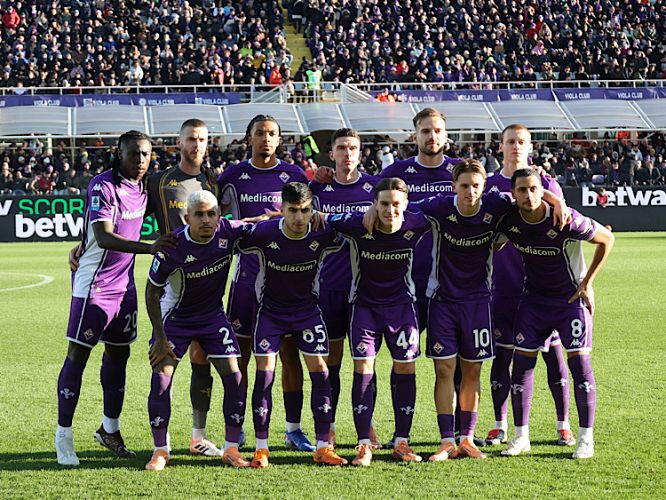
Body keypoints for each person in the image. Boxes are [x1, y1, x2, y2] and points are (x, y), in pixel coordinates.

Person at [71, 119, 222, 456]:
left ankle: (198, 437)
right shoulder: (157, 182)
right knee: (165, 360)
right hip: (171, 284)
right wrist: (83, 245)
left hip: (208, 280)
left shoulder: (214, 180)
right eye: (190, 139)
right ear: (179, 143)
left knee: (203, 359)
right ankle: (160, 444)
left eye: (201, 139)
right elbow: (126, 218)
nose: (196, 145)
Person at [55, 130, 175, 466]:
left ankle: (109, 430)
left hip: (124, 287)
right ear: (119, 154)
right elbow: (105, 237)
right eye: (133, 153)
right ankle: (63, 436)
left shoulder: (145, 186)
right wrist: (149, 248)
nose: (140, 160)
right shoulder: (103, 186)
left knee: (119, 355)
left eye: (146, 154)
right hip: (95, 285)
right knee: (78, 356)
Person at [498, 169, 614, 459]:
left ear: (543, 191)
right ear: (514, 194)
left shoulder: (566, 219)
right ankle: (520, 437)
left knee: (580, 367)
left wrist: (587, 283)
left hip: (569, 302)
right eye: (522, 190)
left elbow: (607, 240)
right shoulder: (509, 220)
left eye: (534, 189)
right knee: (521, 368)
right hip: (533, 302)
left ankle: (586, 439)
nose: (529, 195)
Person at [217, 115, 313, 452]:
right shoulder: (231, 176)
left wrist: (272, 219)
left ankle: (293, 429)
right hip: (246, 277)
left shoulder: (295, 174)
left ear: (279, 139)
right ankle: (237, 426)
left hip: (285, 278)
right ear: (249, 138)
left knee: (289, 355)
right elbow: (217, 219)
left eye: (272, 134)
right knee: (239, 356)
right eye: (259, 133)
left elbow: (308, 216)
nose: (266, 139)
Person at [238, 182, 346, 468]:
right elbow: (230, 232)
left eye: (306, 211)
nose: (300, 218)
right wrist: (256, 219)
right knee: (265, 374)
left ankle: (323, 446)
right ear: (282, 210)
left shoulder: (324, 231)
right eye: (293, 210)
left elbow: (357, 224)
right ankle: (261, 449)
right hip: (270, 314)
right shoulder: (264, 233)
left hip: (307, 312)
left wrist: (329, 217)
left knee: (321, 372)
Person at [326, 177, 431, 466]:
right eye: (384, 204)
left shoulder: (418, 222)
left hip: (402, 309)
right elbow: (322, 217)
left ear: (406, 204)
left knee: (406, 368)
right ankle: (364, 444)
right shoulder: (356, 225)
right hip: (364, 309)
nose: (390, 210)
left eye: (396, 204)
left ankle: (402, 442)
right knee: (363, 369)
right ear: (375, 204)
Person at [144, 191, 250, 470]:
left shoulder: (228, 232)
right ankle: (160, 450)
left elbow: (260, 223)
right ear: (187, 217)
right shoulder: (172, 247)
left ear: (219, 216)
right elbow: (151, 292)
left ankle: (231, 448)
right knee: (162, 379)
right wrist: (160, 338)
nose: (206, 220)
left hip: (212, 317)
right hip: (175, 319)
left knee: (235, 376)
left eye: (211, 214)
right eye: (199, 214)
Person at [484, 125, 574, 447]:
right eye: (510, 141)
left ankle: (563, 424)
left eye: (522, 141)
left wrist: (553, 196)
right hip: (503, 285)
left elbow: (564, 226)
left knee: (553, 356)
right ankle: (500, 425)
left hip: (544, 288)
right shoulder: (489, 184)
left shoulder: (547, 183)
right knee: (503, 356)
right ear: (501, 146)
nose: (516, 146)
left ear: (530, 146)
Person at [309, 128, 380, 447]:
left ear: (360, 152)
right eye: (342, 148)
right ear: (332, 154)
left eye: (353, 147)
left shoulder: (374, 188)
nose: (348, 153)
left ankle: (368, 426)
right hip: (329, 287)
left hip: (366, 288)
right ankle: (330, 425)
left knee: (366, 362)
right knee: (331, 362)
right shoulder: (318, 189)